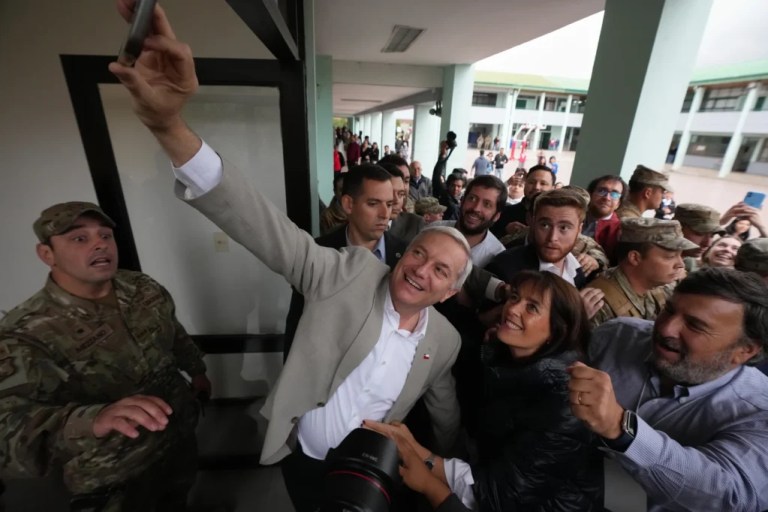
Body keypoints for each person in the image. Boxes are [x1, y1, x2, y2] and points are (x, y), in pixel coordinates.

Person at [108, 6, 472, 511]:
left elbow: (443, 405)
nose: (420, 270)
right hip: (305, 454)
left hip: (371, 469)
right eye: (418, 254)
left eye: (440, 271)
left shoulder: (444, 340)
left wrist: (445, 470)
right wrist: (169, 124)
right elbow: (261, 225)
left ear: (450, 291)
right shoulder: (346, 272)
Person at [0, 201, 209, 510]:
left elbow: (174, 333)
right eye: (79, 238)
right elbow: (8, 430)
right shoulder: (26, 332)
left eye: (105, 236)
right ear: (47, 254)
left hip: (175, 439)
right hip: (114, 472)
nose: (99, 244)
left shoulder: (141, 288)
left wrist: (197, 371)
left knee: (177, 499)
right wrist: (91, 419)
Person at [367, 271, 603, 511]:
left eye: (532, 308)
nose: (512, 310)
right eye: (514, 298)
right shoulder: (503, 357)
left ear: (557, 331)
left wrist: (425, 460)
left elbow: (499, 496)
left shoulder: (566, 401)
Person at [570, 268, 768, 511]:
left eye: (695, 325)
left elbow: (730, 497)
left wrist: (621, 429)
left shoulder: (759, 411)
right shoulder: (618, 336)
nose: (666, 329)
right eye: (669, 310)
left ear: (745, 350)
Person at [585, 218, 696, 327]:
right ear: (635, 258)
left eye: (680, 255)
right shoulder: (598, 303)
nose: (681, 264)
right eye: (670, 257)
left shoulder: (658, 286)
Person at [490, 164, 555, 238]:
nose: (536, 187)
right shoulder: (505, 213)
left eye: (543, 183)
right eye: (531, 182)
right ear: (525, 183)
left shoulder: (559, 217)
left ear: (552, 188)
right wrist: (505, 231)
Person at [582, 174, 626, 264]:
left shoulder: (621, 231)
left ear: (618, 203)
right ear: (590, 194)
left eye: (614, 194)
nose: (607, 198)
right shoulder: (574, 215)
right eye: (602, 191)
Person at [673, 203, 725, 272]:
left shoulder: (688, 262)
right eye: (700, 233)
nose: (707, 243)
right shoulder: (656, 262)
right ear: (676, 228)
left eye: (712, 235)